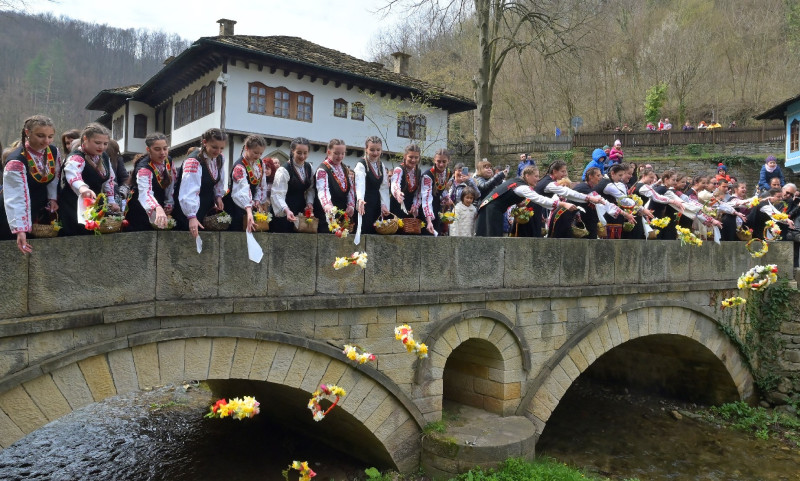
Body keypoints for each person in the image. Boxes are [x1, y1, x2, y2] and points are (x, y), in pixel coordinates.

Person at [0, 115, 61, 253]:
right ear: (27, 133)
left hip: (36, 208)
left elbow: (55, 176)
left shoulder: (53, 151)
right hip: (12, 213)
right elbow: (16, 197)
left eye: (50, 136)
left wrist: (52, 198)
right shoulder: (16, 161)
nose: (46, 141)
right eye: (41, 136)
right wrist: (20, 229)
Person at [475, 165, 577, 237]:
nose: (538, 179)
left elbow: (506, 195)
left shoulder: (517, 182)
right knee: (492, 239)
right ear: (527, 176)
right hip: (491, 210)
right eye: (536, 176)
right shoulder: (522, 187)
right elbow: (539, 199)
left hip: (491, 208)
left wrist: (517, 202)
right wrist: (563, 203)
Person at [59, 123, 119, 236]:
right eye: (97, 143)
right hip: (73, 206)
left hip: (95, 203)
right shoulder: (76, 157)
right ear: (85, 139)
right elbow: (73, 175)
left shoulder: (104, 157)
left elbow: (109, 180)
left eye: (105, 144)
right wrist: (83, 188)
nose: (102, 147)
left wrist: (111, 201)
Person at [174, 128, 227, 237]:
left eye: (221, 148)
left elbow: (218, 180)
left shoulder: (219, 158)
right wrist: (192, 216)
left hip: (206, 206)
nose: (218, 151)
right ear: (204, 142)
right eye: (214, 147)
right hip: (187, 211)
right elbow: (188, 191)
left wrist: (218, 196)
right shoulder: (194, 161)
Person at [535, 160, 603, 238]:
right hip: (535, 210)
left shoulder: (547, 181)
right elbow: (568, 192)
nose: (565, 174)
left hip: (537, 210)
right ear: (554, 171)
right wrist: (589, 198)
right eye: (562, 171)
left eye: (565, 171)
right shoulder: (550, 184)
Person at [125, 132, 176, 231]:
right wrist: (157, 208)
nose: (162, 153)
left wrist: (169, 203)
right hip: (139, 207)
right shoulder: (144, 168)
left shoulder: (168, 160)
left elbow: (171, 182)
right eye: (157, 149)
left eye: (165, 148)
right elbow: (146, 193)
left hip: (158, 203)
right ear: (148, 150)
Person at [271, 137, 315, 233]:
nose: (302, 156)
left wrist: (309, 203)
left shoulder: (309, 167)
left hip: (300, 210)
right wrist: (286, 210)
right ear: (292, 151)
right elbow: (277, 194)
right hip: (285, 212)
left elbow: (311, 189)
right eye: (299, 153)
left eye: (305, 153)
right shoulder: (283, 170)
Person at [228, 135, 269, 232]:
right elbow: (243, 189)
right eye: (255, 152)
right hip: (237, 205)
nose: (258, 156)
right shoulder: (239, 166)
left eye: (261, 153)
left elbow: (261, 186)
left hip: (251, 206)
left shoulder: (260, 163)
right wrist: (249, 208)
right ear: (246, 148)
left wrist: (257, 200)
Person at [315, 138, 355, 233]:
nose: (340, 156)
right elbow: (323, 190)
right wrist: (328, 206)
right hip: (327, 215)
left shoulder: (344, 168)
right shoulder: (323, 170)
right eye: (336, 153)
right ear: (328, 152)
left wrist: (351, 205)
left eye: (343, 153)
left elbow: (350, 189)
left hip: (342, 215)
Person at [353, 136, 391, 235]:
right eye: (372, 150)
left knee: (376, 230)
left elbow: (384, 187)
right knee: (363, 230)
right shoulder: (361, 165)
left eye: (378, 150)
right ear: (366, 149)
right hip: (364, 204)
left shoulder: (381, 165)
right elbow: (359, 183)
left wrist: (384, 205)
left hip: (376, 204)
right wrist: (360, 199)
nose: (375, 153)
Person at [421, 148, 453, 235]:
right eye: (438, 161)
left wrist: (446, 198)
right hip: (426, 208)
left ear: (448, 161)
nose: (441, 164)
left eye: (444, 161)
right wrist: (429, 220)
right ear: (434, 160)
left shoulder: (449, 173)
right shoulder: (428, 175)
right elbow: (426, 199)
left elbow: (443, 189)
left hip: (437, 208)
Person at [390, 144, 422, 222]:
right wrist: (398, 193)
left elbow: (418, 192)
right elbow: (395, 183)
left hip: (410, 211)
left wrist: (415, 205)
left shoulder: (418, 172)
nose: (413, 160)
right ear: (405, 156)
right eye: (410, 157)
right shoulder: (399, 169)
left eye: (416, 157)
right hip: (396, 209)